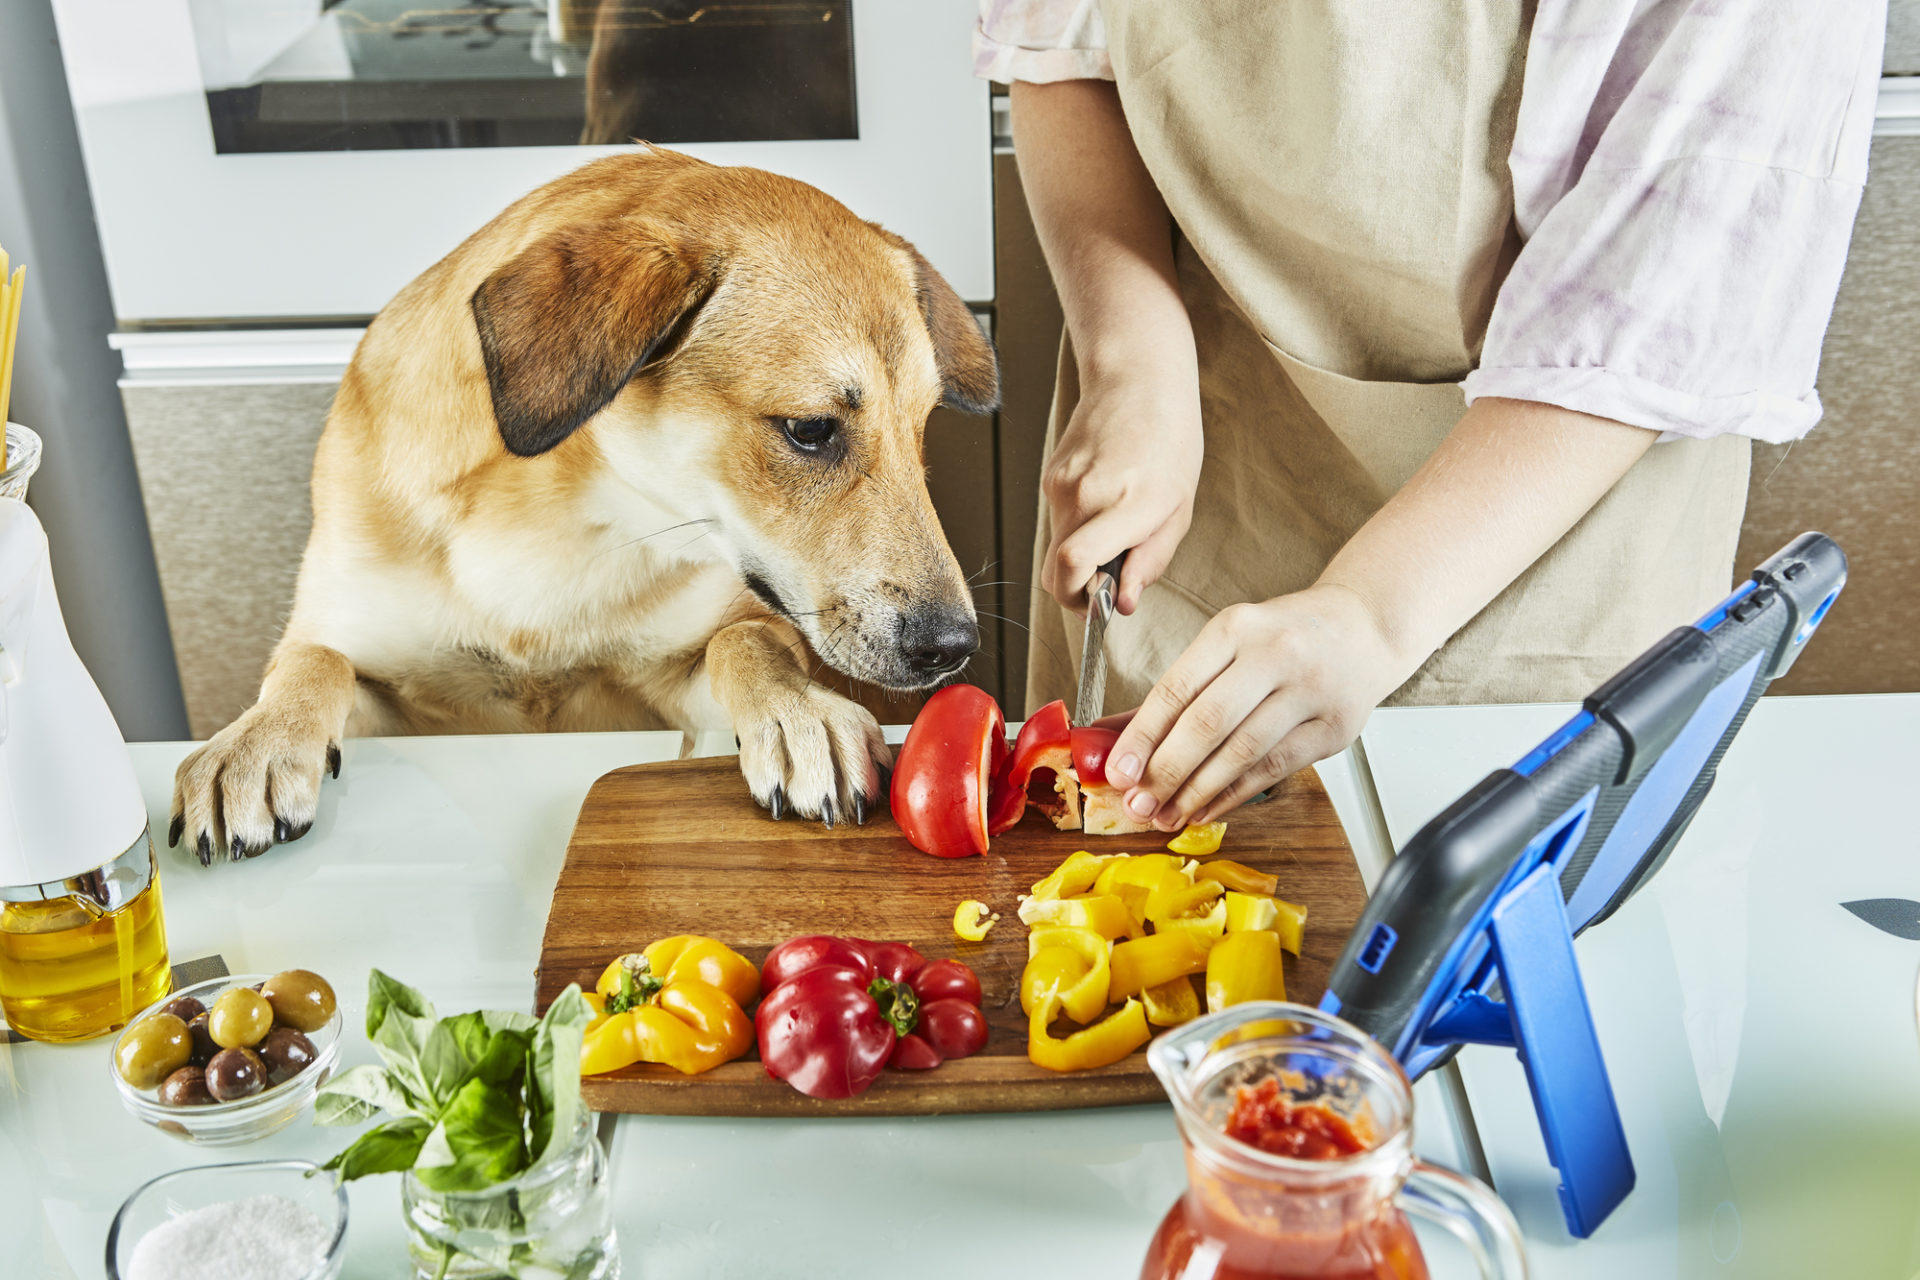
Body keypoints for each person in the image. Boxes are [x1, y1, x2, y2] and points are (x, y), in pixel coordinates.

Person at [978, 0, 1885, 833]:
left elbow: (1660, 288)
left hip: (1555, 532)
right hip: (1208, 458)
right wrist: (1134, 360)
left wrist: (1369, 615)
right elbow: (1064, 46)